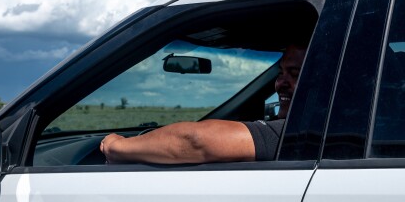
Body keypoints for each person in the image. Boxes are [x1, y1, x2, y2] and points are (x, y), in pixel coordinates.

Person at [99, 44, 306, 164]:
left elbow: (194, 141)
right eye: (280, 73)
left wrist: (116, 146)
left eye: (294, 74)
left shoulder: (301, 132)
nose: (280, 83)